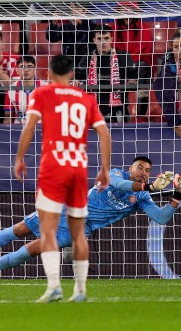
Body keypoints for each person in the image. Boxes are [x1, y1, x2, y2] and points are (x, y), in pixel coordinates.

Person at [0, 157, 181, 280]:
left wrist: (177, 195)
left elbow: (161, 218)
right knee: (19, 229)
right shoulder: (116, 173)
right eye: (139, 168)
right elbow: (120, 184)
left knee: (33, 248)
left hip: (79, 228)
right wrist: (149, 185)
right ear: (131, 168)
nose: (143, 172)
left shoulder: (141, 198)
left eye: (147, 170)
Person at [13, 54, 111, 302]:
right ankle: (80, 290)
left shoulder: (42, 94)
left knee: (48, 230)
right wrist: (105, 169)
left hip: (53, 167)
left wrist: (20, 158)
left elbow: (30, 125)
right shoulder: (86, 99)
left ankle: (54, 285)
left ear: (49, 73)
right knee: (79, 233)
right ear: (70, 74)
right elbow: (104, 133)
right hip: (78, 168)